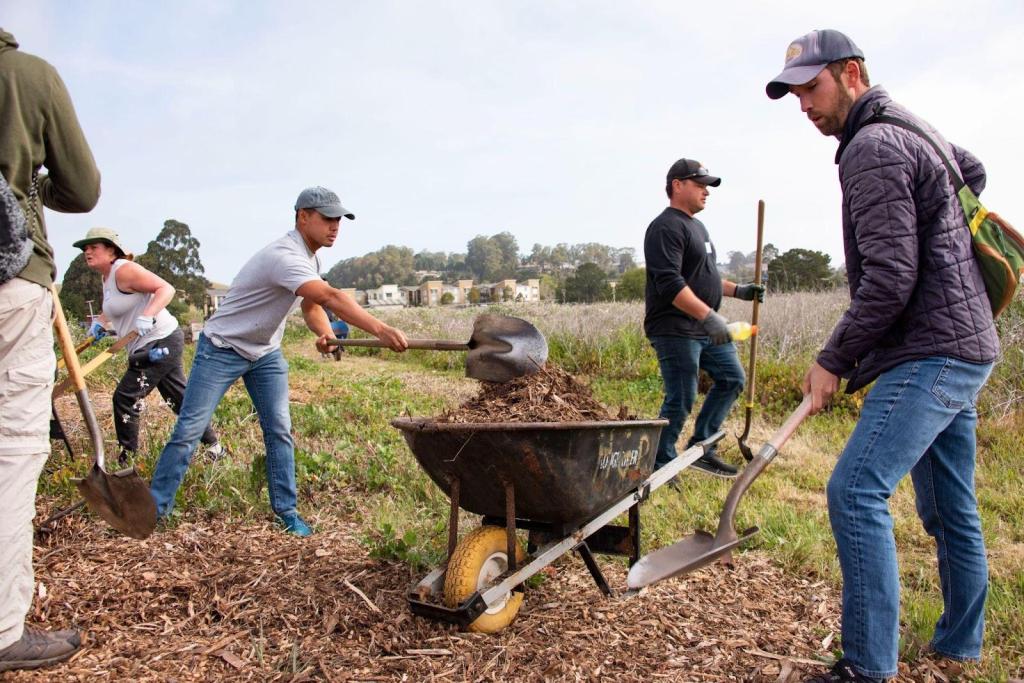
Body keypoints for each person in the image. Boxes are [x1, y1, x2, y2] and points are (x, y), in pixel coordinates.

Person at [766, 30, 998, 682]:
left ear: (851, 74)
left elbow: (890, 279)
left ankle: (868, 667)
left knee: (854, 490)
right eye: (794, 94)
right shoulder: (912, 127)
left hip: (930, 350)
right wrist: (942, 236)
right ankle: (960, 644)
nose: (804, 105)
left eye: (812, 88)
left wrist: (832, 359)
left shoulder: (870, 146)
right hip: (967, 344)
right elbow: (971, 170)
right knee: (949, 507)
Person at [148, 186, 409, 536]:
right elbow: (328, 296)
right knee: (190, 430)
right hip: (222, 348)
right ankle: (154, 510)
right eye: (328, 218)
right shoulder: (284, 256)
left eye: (339, 220)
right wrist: (380, 329)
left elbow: (312, 306)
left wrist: (326, 334)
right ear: (303, 217)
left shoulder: (312, 259)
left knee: (279, 430)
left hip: (264, 352)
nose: (335, 226)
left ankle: (286, 513)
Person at [0, 28, 101, 672]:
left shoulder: (125, 274)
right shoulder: (27, 76)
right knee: (11, 450)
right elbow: (81, 188)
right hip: (10, 280)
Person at [644, 159, 764, 478]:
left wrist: (739, 290)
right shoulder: (665, 227)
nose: (706, 191)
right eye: (699, 185)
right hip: (675, 328)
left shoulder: (697, 227)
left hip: (703, 327)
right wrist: (710, 317)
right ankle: (660, 463)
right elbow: (670, 283)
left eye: (707, 186)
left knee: (732, 379)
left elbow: (703, 277)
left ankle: (702, 449)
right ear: (677, 185)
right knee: (682, 396)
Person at [73, 227, 225, 465]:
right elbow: (114, 306)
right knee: (179, 398)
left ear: (112, 251)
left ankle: (128, 461)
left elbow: (166, 289)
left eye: (94, 247)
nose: (87, 252)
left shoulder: (124, 270)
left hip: (159, 341)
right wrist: (100, 323)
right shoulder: (107, 277)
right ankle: (215, 447)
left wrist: (148, 314)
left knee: (125, 397)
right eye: (85, 248)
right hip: (152, 342)